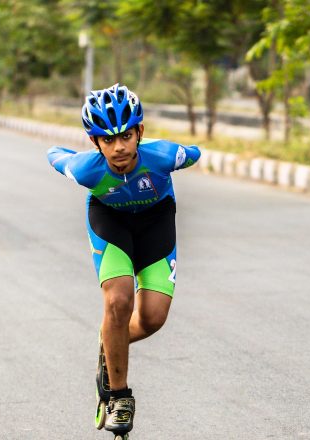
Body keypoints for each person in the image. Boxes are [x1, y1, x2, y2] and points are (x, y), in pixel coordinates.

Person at [46, 83, 200, 437]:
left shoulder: (162, 156)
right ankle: (118, 397)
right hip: (110, 222)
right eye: (107, 139)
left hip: (155, 222)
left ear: (139, 133)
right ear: (94, 142)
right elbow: (56, 155)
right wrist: (61, 154)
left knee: (151, 319)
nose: (119, 147)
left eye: (126, 136)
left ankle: (109, 341)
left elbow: (194, 152)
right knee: (118, 301)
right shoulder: (86, 170)